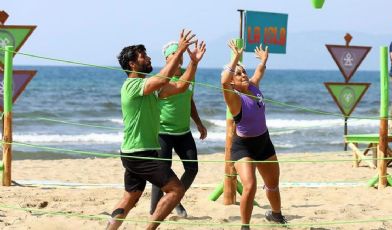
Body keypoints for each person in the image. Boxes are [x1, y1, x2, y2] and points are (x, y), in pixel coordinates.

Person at [107, 29, 206, 230]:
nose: (149, 58)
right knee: (176, 190)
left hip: (137, 152)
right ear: (132, 64)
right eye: (143, 56)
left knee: (130, 197)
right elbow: (162, 78)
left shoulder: (149, 87)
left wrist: (193, 63)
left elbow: (179, 87)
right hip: (140, 153)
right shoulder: (132, 85)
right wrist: (179, 51)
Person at [221, 40, 287, 229]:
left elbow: (258, 73)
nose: (243, 75)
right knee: (250, 185)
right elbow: (224, 81)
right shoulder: (233, 98)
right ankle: (245, 226)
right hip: (244, 147)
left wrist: (263, 61)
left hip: (264, 142)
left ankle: (276, 215)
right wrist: (234, 59)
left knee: (273, 184)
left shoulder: (253, 86)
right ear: (233, 81)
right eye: (239, 74)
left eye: (244, 72)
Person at [150, 41, 207, 217]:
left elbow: (189, 99)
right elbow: (180, 86)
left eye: (179, 55)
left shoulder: (189, 74)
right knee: (161, 174)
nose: (177, 58)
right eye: (173, 55)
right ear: (167, 59)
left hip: (183, 132)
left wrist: (198, 122)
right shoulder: (161, 79)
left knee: (192, 169)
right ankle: (154, 211)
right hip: (163, 133)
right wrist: (194, 63)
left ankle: (174, 199)